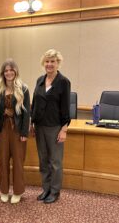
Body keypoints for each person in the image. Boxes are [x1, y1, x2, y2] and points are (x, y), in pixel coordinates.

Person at [30, 49, 71, 204]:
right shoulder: (40, 80)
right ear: (43, 63)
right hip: (40, 126)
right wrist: (32, 123)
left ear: (57, 63)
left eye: (52, 61)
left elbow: (66, 108)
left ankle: (55, 191)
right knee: (43, 160)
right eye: (47, 61)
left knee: (55, 162)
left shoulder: (63, 82)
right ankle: (46, 189)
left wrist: (64, 129)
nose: (49, 64)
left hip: (55, 127)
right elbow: (35, 103)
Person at [0, 59, 30, 204]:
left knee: (18, 161)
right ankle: (4, 191)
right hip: (2, 129)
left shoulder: (23, 88)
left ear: (15, 71)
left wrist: (24, 133)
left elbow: (27, 113)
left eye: (11, 70)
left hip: (17, 129)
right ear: (3, 73)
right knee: (3, 160)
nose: (8, 73)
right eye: (6, 70)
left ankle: (18, 191)